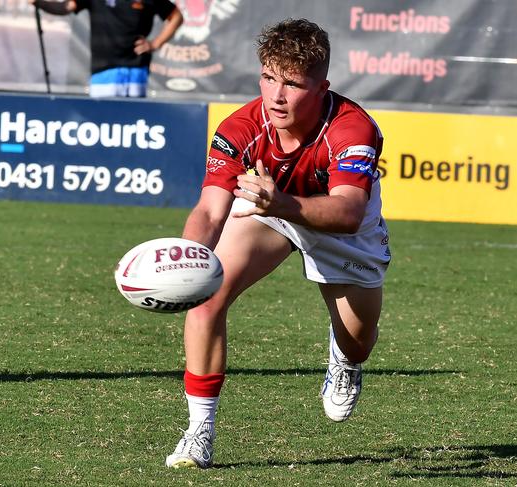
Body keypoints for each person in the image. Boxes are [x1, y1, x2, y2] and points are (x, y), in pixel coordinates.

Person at [165, 18, 391, 469]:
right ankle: (198, 433)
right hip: (269, 211)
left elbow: (347, 214)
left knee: (359, 344)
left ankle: (343, 363)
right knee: (207, 296)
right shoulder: (240, 127)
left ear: (322, 87)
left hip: (339, 230)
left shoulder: (353, 129)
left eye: (292, 83)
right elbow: (210, 211)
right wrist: (187, 264)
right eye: (268, 78)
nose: (276, 96)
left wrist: (281, 201)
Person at [31, 0, 183, 97]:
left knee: (134, 127)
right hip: (104, 72)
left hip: (136, 70)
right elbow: (66, 6)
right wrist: (39, 2)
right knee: (105, 124)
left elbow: (176, 16)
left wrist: (155, 44)